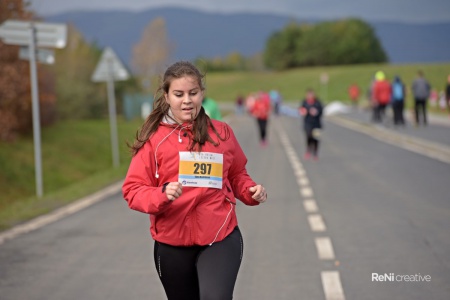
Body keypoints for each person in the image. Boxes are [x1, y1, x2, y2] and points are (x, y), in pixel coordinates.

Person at [122, 61, 267, 300]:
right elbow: (133, 190)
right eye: (179, 94)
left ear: (202, 94)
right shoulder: (154, 140)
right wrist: (162, 194)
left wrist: (251, 191)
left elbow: (237, 174)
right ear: (167, 96)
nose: (187, 100)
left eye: (193, 93)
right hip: (172, 244)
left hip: (219, 237)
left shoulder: (221, 133)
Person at [299, 89, 323, 160]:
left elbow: (321, 111)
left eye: (311, 94)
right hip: (308, 123)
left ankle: (315, 153)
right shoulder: (305, 102)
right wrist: (303, 112)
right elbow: (301, 110)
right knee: (309, 136)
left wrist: (316, 112)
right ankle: (308, 150)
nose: (310, 96)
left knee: (316, 138)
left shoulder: (317, 103)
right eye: (308, 95)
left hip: (316, 124)